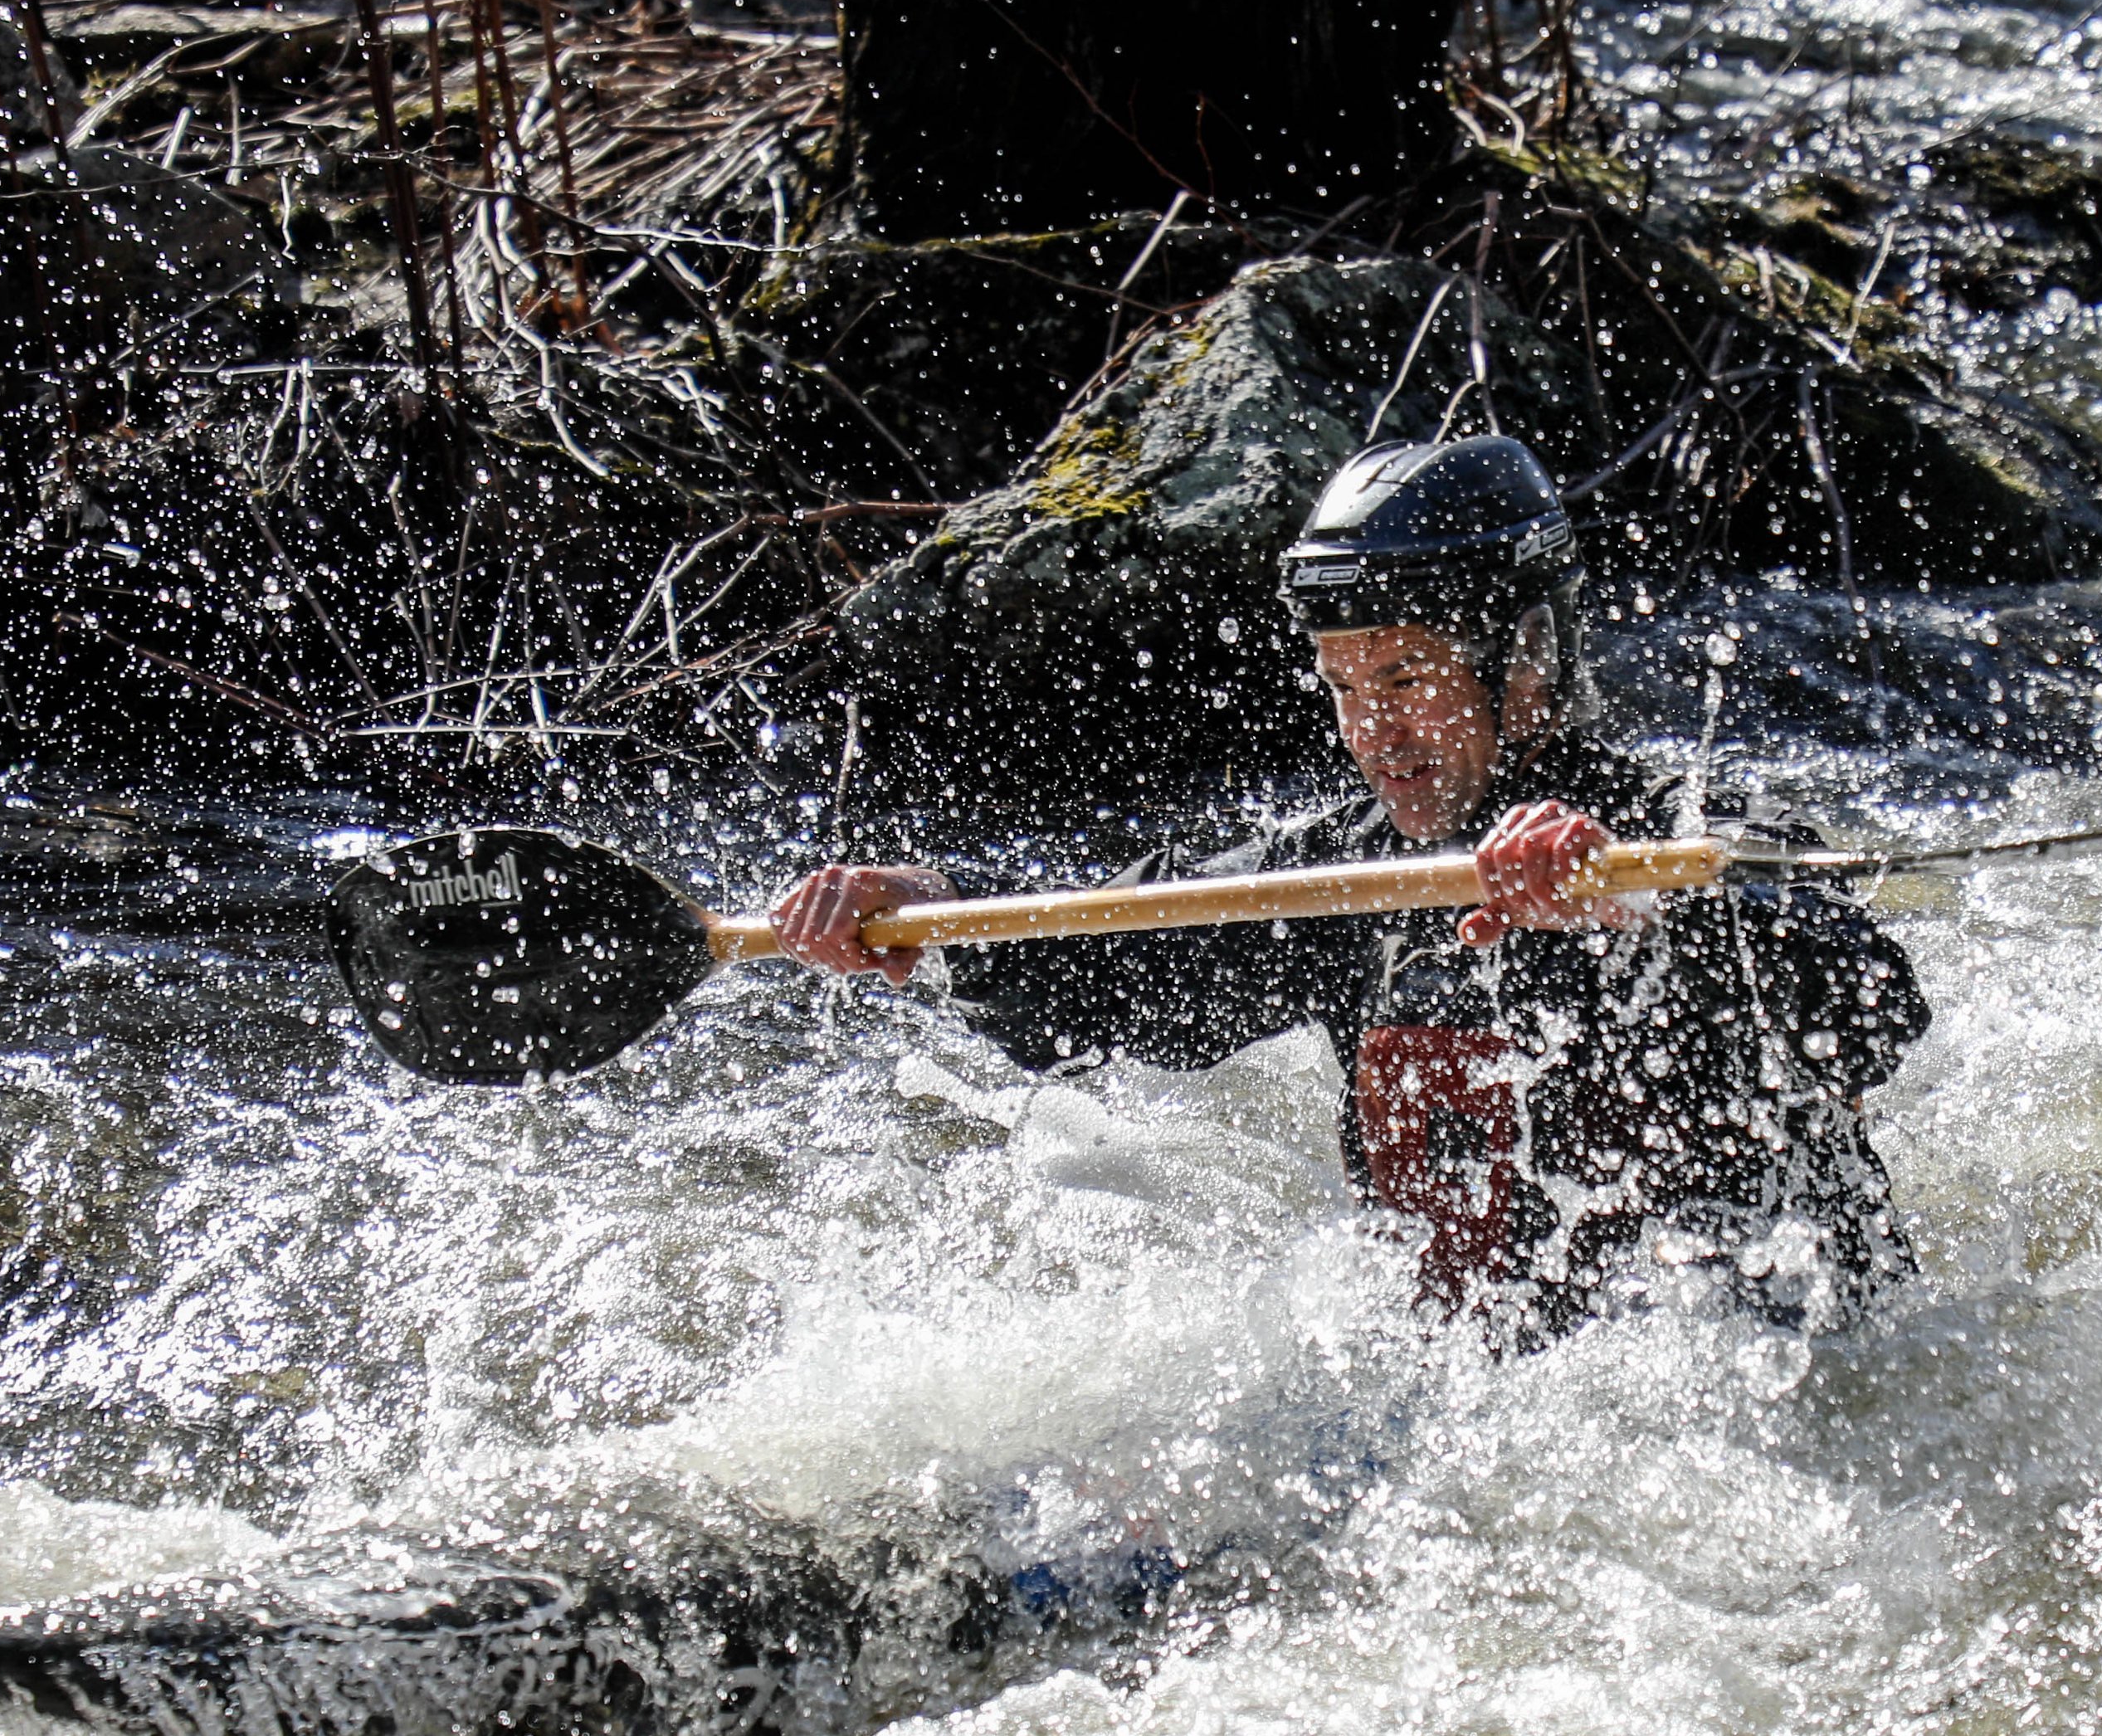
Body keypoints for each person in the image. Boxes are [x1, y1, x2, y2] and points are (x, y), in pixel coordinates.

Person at [772, 436, 1929, 1335]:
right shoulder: (1349, 875)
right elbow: (1105, 975)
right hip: (1501, 1408)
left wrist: (1632, 912)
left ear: (1524, 660)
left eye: (1410, 675)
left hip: (1770, 1367)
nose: (1376, 730)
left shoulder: (1682, 833)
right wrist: (924, 915)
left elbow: (1868, 1000)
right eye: (1344, 685)